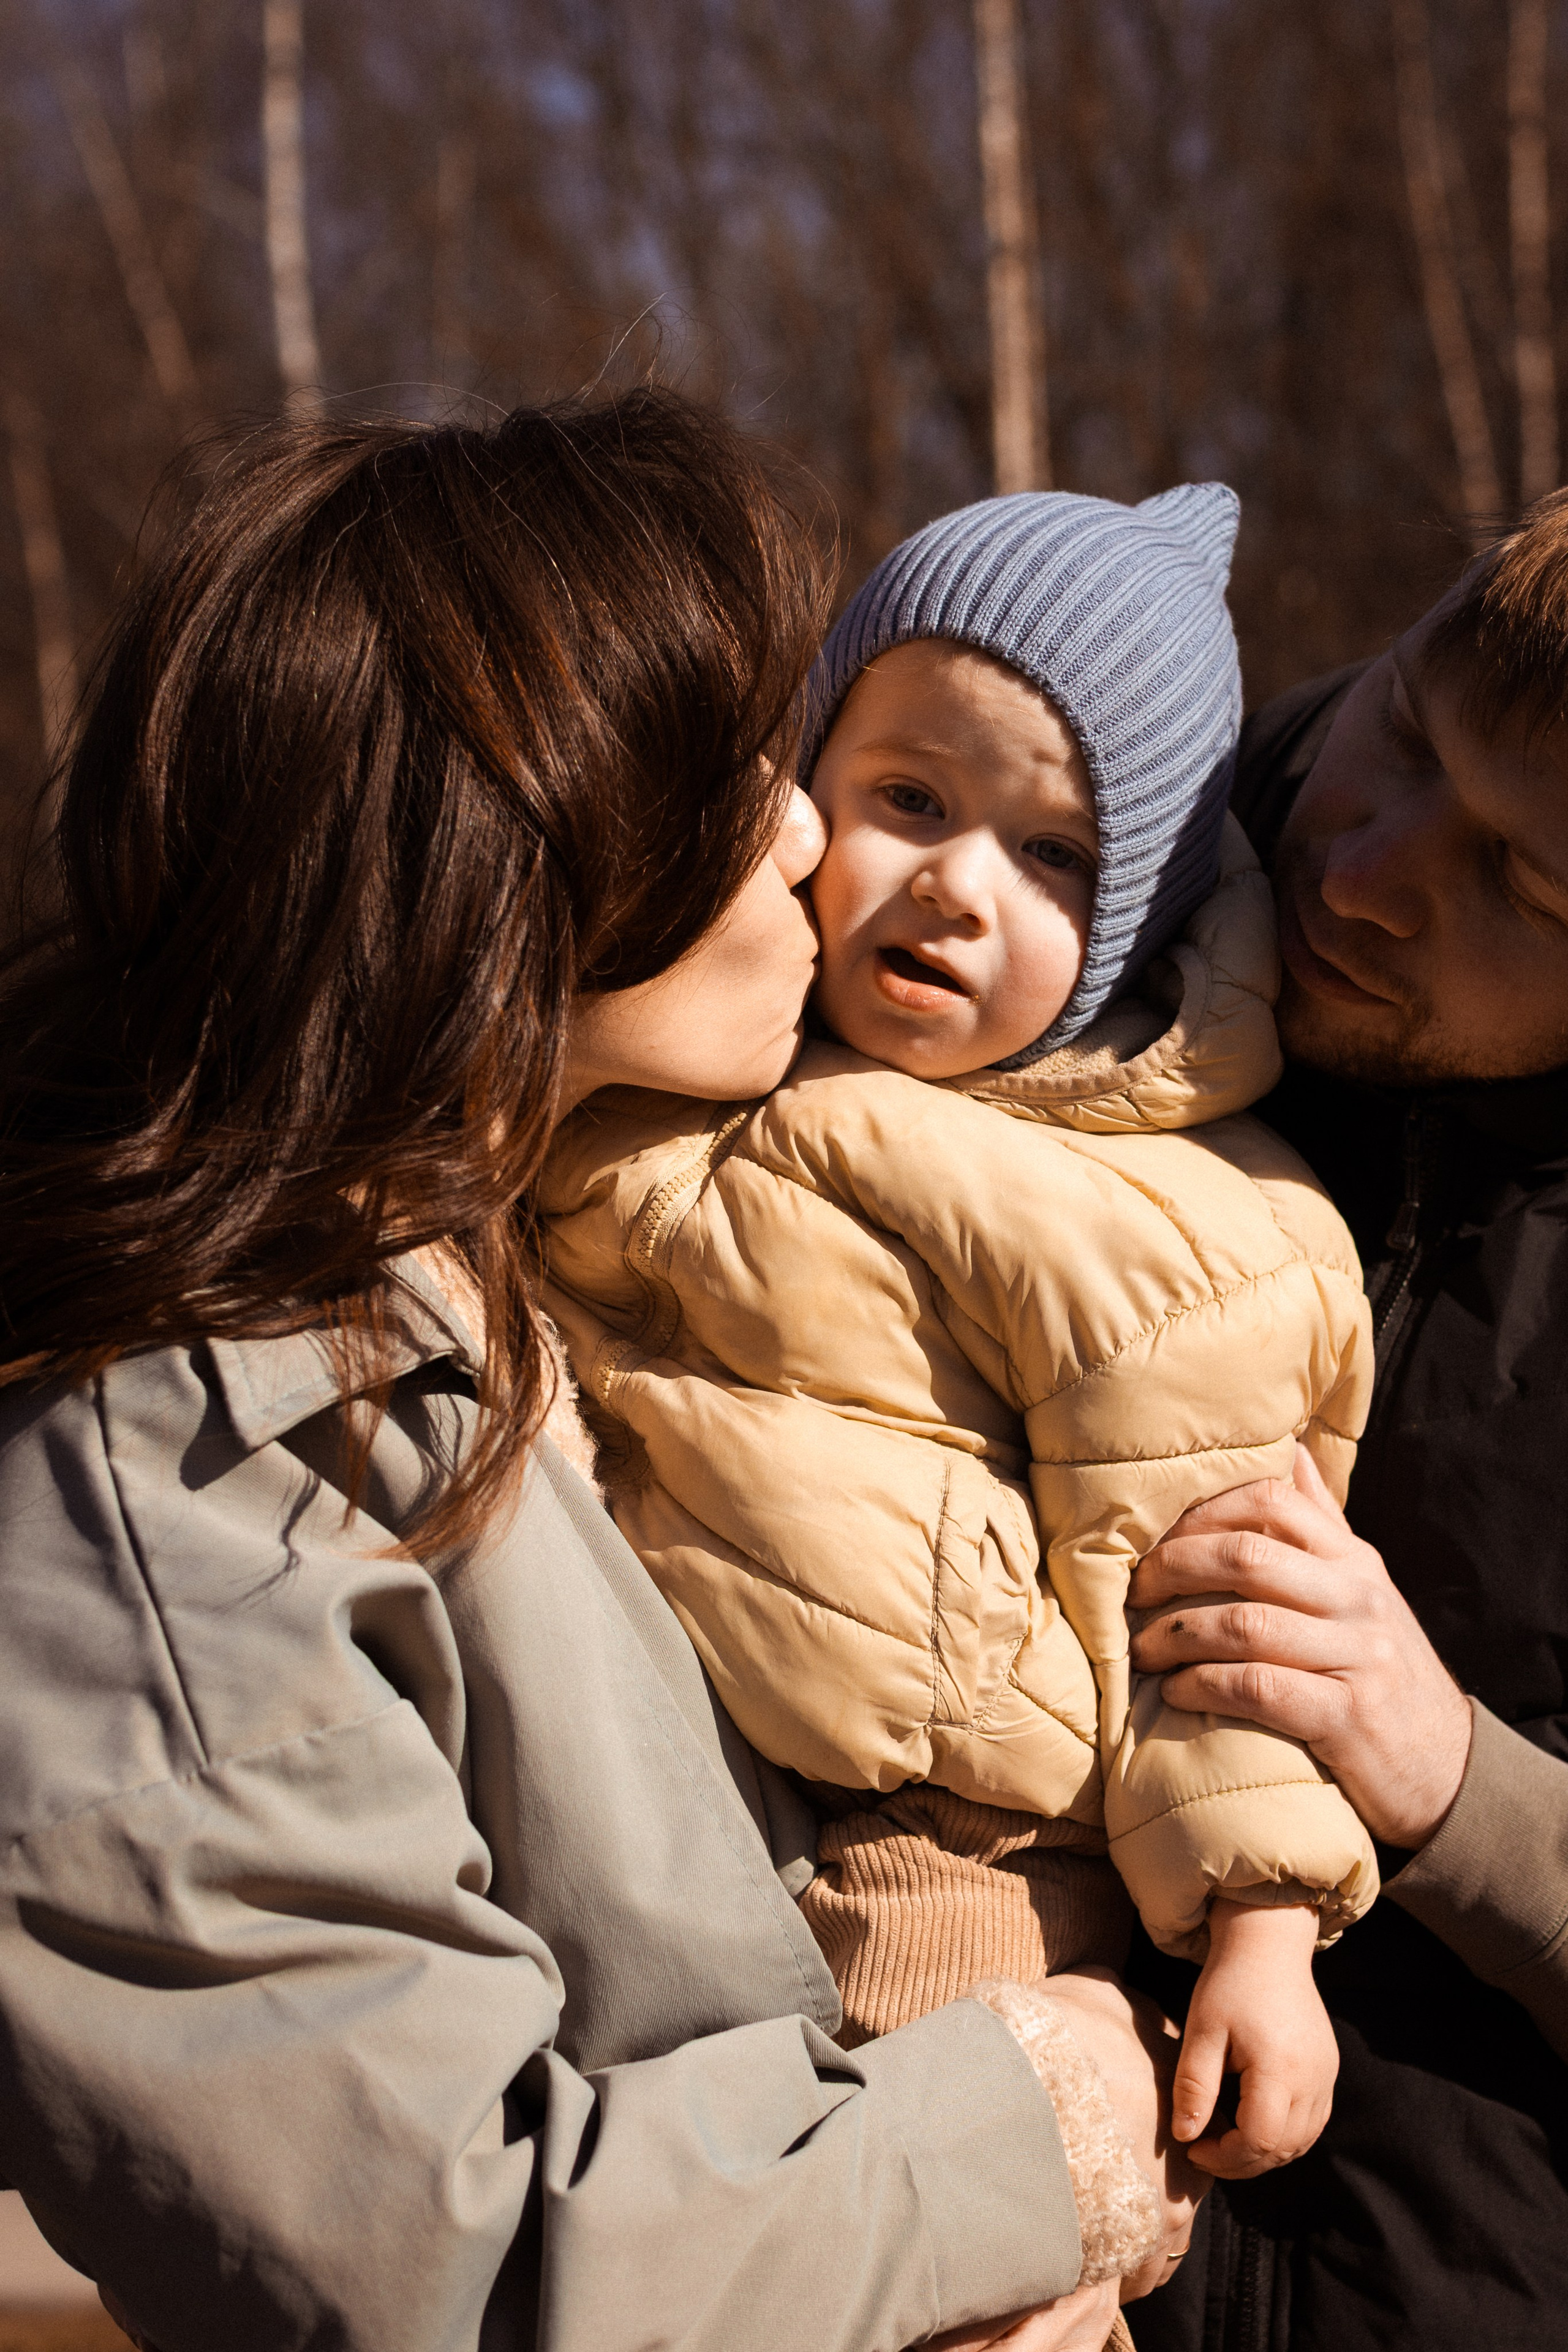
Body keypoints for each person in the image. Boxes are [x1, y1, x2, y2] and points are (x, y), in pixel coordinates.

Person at [0, 388, 1200, 2352]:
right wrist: (1034, 2130)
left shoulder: (538, 1279)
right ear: (523, 838)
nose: (813, 826)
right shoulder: (169, 1489)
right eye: (735, 768)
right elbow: (446, 2270)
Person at [543, 483, 1376, 2204]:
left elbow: (1212, 1596)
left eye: (1053, 853)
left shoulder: (1176, 1227)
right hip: (657, 1770)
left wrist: (1262, 1933)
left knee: (912, 2218)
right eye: (908, 799)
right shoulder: (701, 1045)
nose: (957, 886)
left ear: (1140, 911)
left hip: (945, 1843)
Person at [1122, 493, 1568, 2350]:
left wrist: (1456, 1782)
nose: (1370, 869)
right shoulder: (1091, 877)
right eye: (1397, 729)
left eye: (1524, 888)